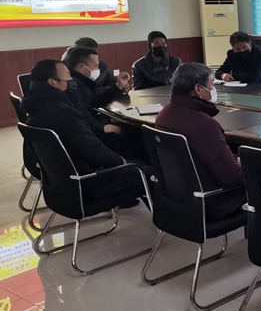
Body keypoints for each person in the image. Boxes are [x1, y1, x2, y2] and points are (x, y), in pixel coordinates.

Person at [21, 60, 146, 201]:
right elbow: (92, 148)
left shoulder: (36, 104)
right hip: (87, 184)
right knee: (148, 171)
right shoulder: (62, 112)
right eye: (68, 76)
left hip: (62, 185)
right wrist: (121, 161)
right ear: (52, 82)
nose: (71, 79)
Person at [155, 63, 247, 219]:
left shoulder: (164, 114)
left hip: (181, 198)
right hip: (214, 201)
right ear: (198, 89)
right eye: (211, 84)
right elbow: (231, 177)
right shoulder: (203, 124)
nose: (213, 89)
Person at [66, 47, 130, 141]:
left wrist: (118, 86)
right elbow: (81, 113)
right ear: (81, 67)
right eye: (96, 66)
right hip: (89, 134)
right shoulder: (73, 85)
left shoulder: (81, 82)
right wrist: (101, 128)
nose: (98, 69)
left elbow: (95, 101)